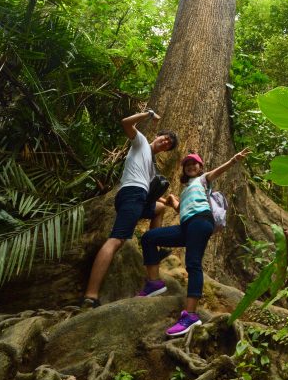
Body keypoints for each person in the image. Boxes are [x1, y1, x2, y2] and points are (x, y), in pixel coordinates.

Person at [138, 147, 251, 336]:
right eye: (187, 164)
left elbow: (217, 172)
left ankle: (190, 315)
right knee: (150, 237)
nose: (190, 166)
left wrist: (233, 160)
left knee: (193, 264)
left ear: (200, 168)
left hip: (201, 221)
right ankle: (154, 283)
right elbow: (179, 209)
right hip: (186, 227)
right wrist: (169, 200)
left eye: (194, 164)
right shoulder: (185, 191)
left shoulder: (202, 180)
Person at [80, 110, 178, 308]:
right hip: (132, 194)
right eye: (165, 138)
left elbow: (149, 188)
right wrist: (149, 114)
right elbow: (125, 121)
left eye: (169, 144)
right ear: (157, 136)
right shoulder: (140, 141)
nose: (165, 143)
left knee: (158, 209)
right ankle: (90, 295)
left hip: (139, 196)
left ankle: (154, 245)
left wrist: (166, 200)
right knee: (116, 240)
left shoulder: (150, 165)